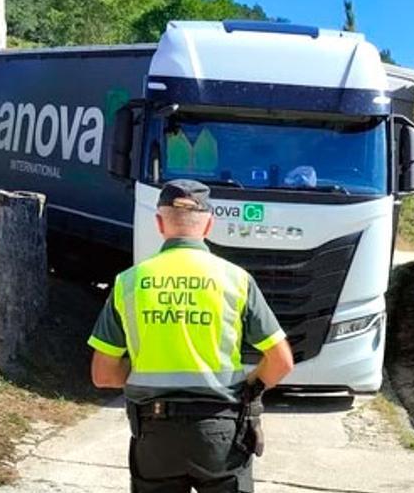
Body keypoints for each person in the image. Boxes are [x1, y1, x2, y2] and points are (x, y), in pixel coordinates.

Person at [88, 179, 294, 493]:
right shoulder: (236, 280)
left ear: (159, 223)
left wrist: (142, 368)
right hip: (221, 433)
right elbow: (281, 361)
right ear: (209, 225)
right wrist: (248, 387)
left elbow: (103, 375)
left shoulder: (128, 282)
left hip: (154, 436)